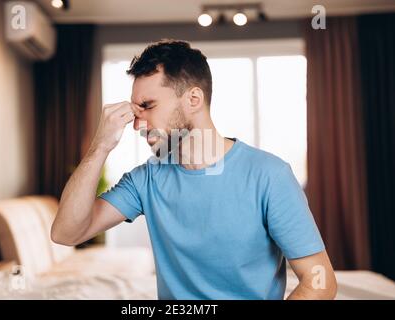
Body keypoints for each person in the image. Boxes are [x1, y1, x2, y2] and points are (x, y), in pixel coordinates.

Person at [51, 39, 337, 300]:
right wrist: (99, 146)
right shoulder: (146, 179)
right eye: (135, 113)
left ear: (193, 100)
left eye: (148, 106)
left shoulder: (269, 175)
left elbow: (319, 282)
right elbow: (66, 233)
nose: (137, 126)